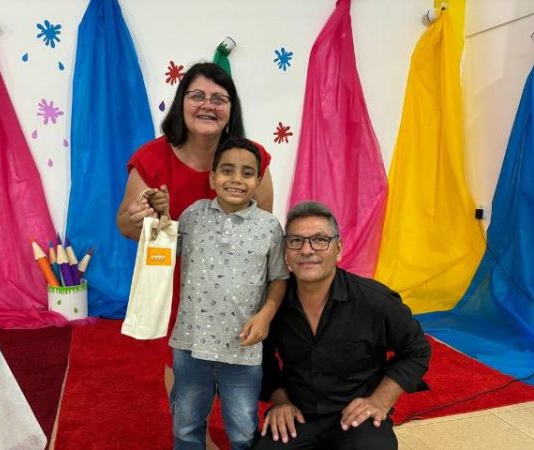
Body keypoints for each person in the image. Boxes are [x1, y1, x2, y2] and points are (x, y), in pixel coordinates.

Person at [116, 62, 274, 449]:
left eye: (219, 99)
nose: (208, 105)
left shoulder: (252, 158)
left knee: (236, 364)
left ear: (231, 109)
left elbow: (264, 233)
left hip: (237, 284)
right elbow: (125, 224)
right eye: (197, 96)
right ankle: (195, 434)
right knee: (182, 359)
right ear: (181, 102)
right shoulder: (152, 158)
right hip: (179, 281)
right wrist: (138, 219)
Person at [252, 201, 431, 450]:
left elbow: (417, 350)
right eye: (296, 241)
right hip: (298, 414)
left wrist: (380, 400)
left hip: (356, 417)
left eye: (320, 240)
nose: (307, 250)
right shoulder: (273, 303)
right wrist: (280, 400)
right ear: (286, 252)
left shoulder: (374, 300)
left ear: (338, 249)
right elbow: (261, 356)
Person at [164, 137, 289, 449]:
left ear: (258, 181)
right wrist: (161, 217)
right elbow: (164, 253)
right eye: (227, 170)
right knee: (186, 425)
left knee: (243, 430)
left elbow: (279, 278)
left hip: (243, 348)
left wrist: (266, 315)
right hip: (191, 344)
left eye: (247, 173)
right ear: (212, 177)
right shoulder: (192, 215)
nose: (236, 179)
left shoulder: (269, 227)